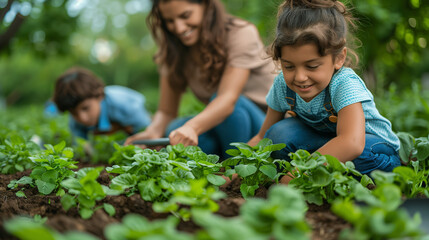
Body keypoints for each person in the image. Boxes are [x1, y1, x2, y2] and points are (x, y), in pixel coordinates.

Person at [248, 0, 401, 179]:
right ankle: (322, 175)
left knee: (360, 156)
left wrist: (297, 174)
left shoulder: (344, 84)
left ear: (338, 58)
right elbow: (262, 137)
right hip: (328, 144)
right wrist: (234, 169)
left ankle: (328, 178)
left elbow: (352, 143)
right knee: (277, 135)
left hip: (373, 149)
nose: (300, 77)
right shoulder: (283, 86)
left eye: (312, 66)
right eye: (289, 66)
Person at [125, 0, 277, 159]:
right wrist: (152, 132)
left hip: (264, 124)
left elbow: (227, 100)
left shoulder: (240, 33)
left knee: (227, 107)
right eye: (169, 21)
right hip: (223, 125)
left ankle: (237, 168)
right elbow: (166, 111)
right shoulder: (173, 50)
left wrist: (192, 127)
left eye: (185, 15)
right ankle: (222, 162)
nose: (179, 28)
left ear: (206, 5)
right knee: (174, 129)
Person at [52, 67, 152, 140]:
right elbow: (80, 142)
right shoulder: (76, 118)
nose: (83, 118)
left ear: (99, 95)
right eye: (73, 113)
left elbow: (148, 132)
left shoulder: (124, 106)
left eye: (86, 108)